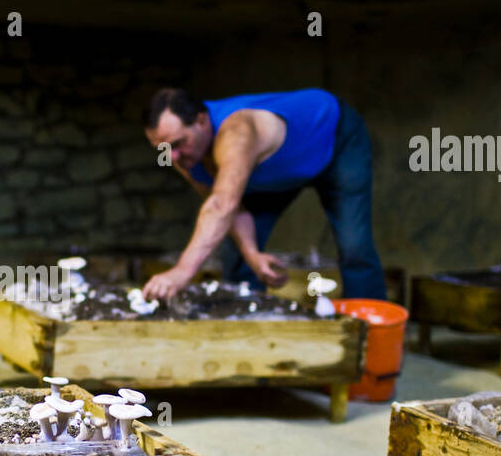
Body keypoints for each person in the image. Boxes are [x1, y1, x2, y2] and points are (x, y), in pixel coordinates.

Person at [140, 87, 386, 302]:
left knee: (355, 247)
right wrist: (252, 254)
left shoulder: (237, 133)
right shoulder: (186, 155)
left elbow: (221, 205)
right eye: (162, 149)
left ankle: (374, 337)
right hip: (272, 173)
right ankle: (246, 333)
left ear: (202, 121)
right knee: (237, 255)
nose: (171, 157)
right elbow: (232, 210)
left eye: (176, 143)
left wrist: (182, 271)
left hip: (334, 141)